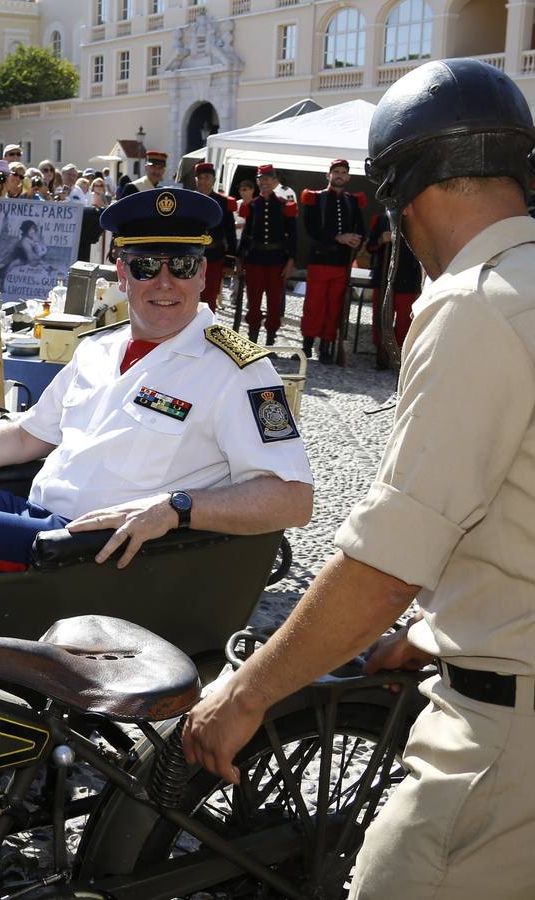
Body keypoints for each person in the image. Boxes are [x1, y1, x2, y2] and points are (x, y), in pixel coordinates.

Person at [183, 58, 535, 898]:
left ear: (401, 192)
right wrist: (433, 633)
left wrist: (244, 694)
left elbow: (384, 562)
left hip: (504, 740)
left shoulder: (475, 302)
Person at [0, 186, 312, 582]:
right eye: (146, 266)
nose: (165, 282)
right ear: (122, 274)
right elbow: (27, 435)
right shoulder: (99, 347)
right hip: (39, 515)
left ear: (203, 273)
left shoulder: (236, 369)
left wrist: (176, 509)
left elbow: (292, 497)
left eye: (180, 265)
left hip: (101, 553)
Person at [300, 160, 365, 363]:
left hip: (341, 262)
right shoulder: (315, 198)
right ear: (328, 175)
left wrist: (356, 238)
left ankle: (326, 346)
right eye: (335, 171)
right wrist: (339, 237)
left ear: (348, 177)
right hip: (320, 259)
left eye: (343, 172)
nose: (339, 175)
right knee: (314, 304)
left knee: (334, 306)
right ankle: (307, 346)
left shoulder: (353, 201)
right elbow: (311, 228)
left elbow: (361, 228)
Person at [237, 164, 297, 345]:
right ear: (257, 181)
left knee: (274, 302)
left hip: (276, 260)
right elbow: (246, 234)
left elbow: (293, 236)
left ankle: (271, 338)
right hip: (255, 259)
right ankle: (252, 336)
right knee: (253, 301)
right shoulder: (252, 206)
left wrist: (290, 261)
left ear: (275, 181)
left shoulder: (284, 206)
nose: (264, 182)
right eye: (261, 179)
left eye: (268, 178)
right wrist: (240, 260)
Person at [365, 211, 421, 370]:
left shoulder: (417, 221)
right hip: (383, 278)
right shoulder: (381, 220)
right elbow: (370, 246)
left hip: (407, 277)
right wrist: (382, 239)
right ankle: (381, 352)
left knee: (404, 319)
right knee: (381, 317)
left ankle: (398, 355)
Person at [193, 162, 238, 311]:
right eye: (200, 178)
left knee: (209, 298)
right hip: (190, 257)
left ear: (213, 180)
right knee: (189, 296)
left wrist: (230, 261)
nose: (203, 181)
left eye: (207, 177)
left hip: (214, 256)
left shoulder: (223, 202)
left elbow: (230, 232)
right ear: (196, 180)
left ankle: (207, 331)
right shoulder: (188, 201)